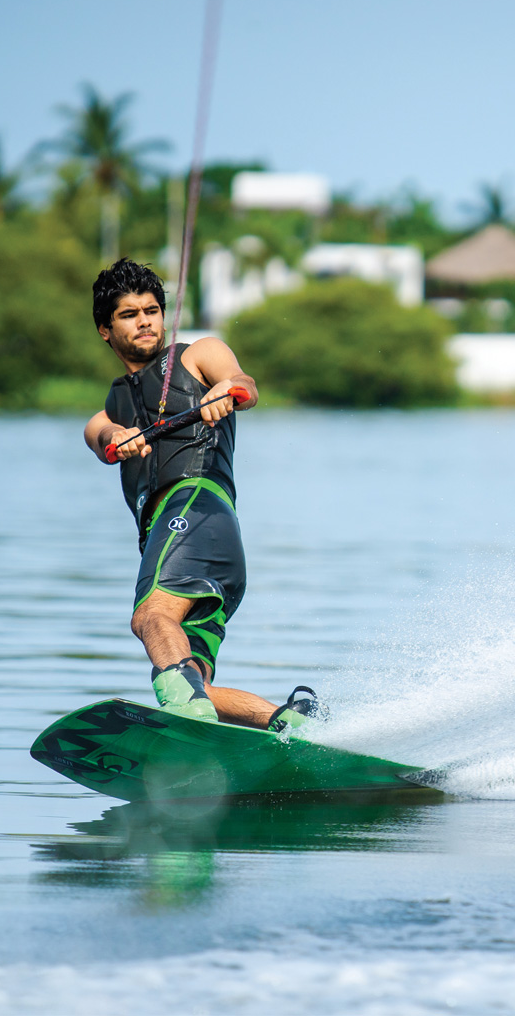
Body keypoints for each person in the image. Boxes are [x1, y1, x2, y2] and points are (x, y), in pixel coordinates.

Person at [82, 258, 316, 731]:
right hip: (193, 543)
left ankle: (187, 712)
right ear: (106, 329)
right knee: (189, 675)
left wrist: (226, 389)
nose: (145, 320)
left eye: (152, 310)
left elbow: (242, 382)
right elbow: (98, 433)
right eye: (129, 314)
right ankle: (293, 724)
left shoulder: (197, 354)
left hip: (194, 507)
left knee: (150, 616)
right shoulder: (112, 403)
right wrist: (116, 438)